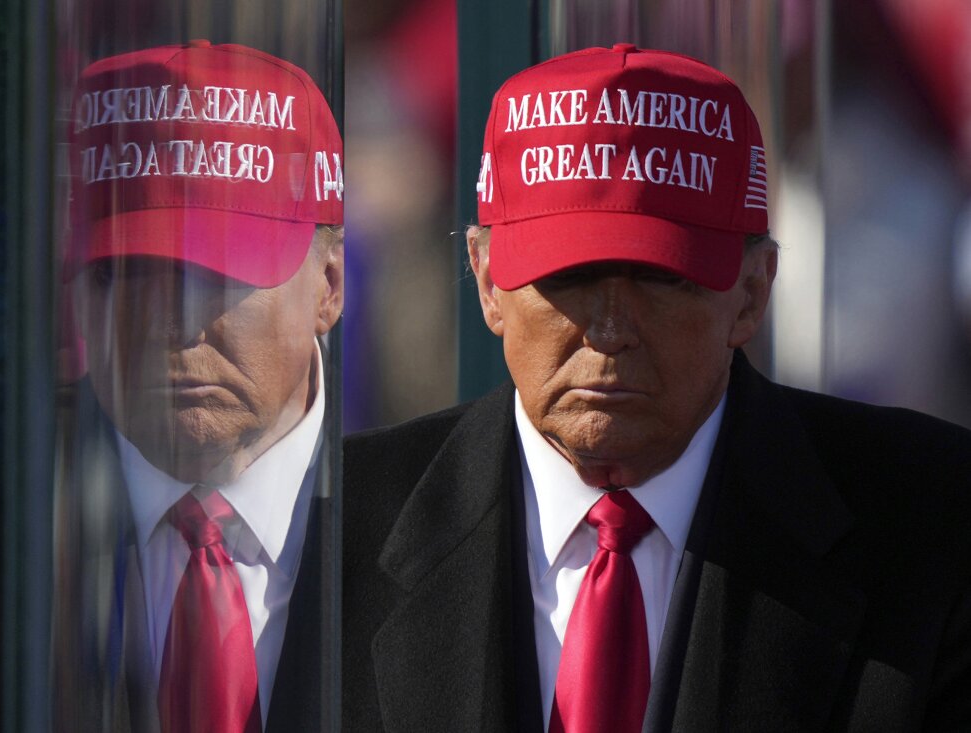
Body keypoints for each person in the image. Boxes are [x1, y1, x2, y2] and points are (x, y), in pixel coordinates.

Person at [343, 44, 971, 732]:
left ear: (753, 292)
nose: (610, 329)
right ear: (489, 282)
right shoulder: (330, 535)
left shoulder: (935, 529)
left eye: (663, 278)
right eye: (568, 277)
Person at [53, 41, 344, 733]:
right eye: (128, 275)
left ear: (328, 285)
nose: (176, 327)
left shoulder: (450, 519)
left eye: (221, 276)